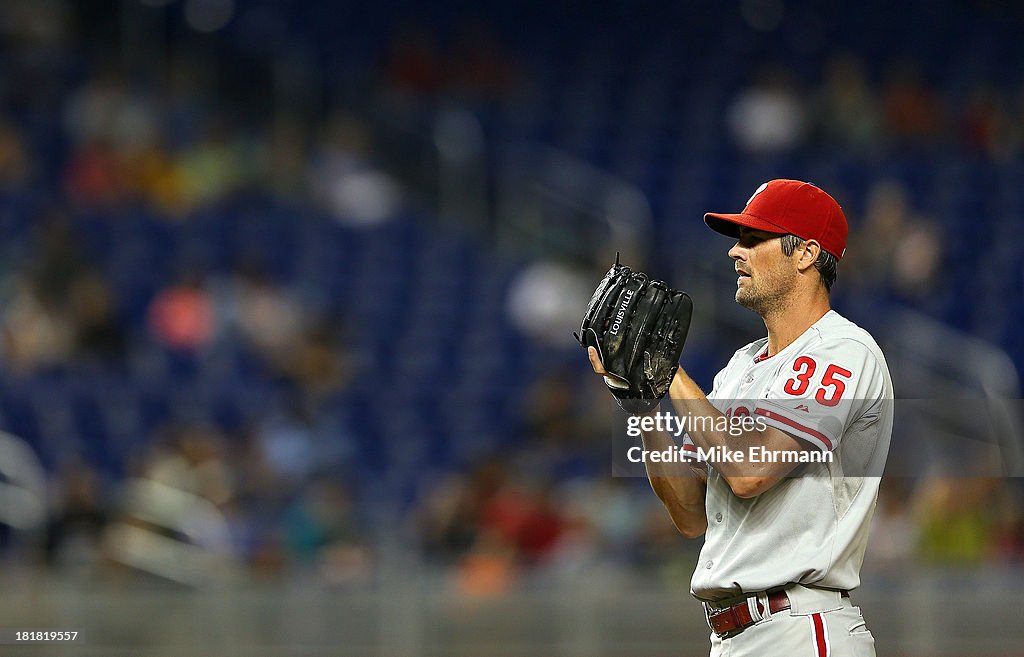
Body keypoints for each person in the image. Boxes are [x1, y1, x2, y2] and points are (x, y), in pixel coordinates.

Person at [587, 179, 893, 657]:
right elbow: (689, 513)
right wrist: (643, 409)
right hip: (734, 636)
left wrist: (669, 374)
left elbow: (750, 472)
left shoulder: (844, 351)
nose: (734, 252)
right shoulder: (739, 368)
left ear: (806, 254)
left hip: (800, 626)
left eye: (753, 239)